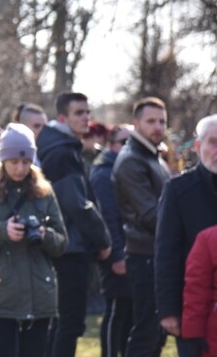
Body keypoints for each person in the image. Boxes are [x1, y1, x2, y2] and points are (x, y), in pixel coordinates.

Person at [0, 123, 67, 357]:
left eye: (26, 162)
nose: (20, 168)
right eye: (14, 162)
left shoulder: (44, 192)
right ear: (2, 159)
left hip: (39, 296)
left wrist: (43, 235)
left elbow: (61, 243)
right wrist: (2, 231)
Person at [37, 91, 112, 357]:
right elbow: (75, 202)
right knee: (69, 323)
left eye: (87, 112)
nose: (86, 118)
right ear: (62, 117)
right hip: (69, 247)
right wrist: (103, 238)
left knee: (60, 322)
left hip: (63, 244)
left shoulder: (61, 146)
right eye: (78, 113)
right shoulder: (62, 152)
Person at [113, 97, 171, 356]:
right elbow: (150, 214)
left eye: (162, 121)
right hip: (144, 254)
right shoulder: (132, 160)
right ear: (135, 124)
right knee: (146, 332)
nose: (158, 126)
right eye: (151, 121)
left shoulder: (152, 156)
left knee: (157, 332)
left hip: (157, 254)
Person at [156, 114, 217, 357]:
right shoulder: (178, 189)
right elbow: (166, 252)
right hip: (192, 305)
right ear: (199, 146)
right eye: (213, 142)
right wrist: (169, 310)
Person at [90, 124, 133, 357]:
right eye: (123, 143)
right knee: (116, 310)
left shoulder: (123, 168)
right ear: (110, 145)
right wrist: (117, 254)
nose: (128, 148)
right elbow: (108, 216)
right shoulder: (104, 171)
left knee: (128, 311)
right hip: (115, 252)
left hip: (129, 249)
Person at [180, 223, 217, 356]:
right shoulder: (208, 239)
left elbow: (195, 291)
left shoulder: (207, 239)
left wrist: (192, 334)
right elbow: (196, 291)